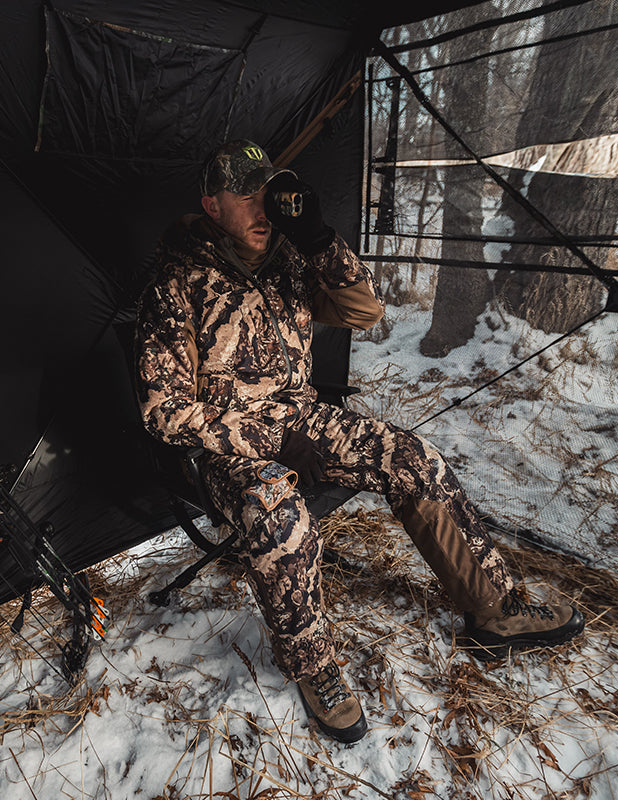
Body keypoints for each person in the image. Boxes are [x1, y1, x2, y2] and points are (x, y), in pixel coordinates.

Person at [136, 139, 584, 744]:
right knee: (278, 515)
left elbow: (364, 311)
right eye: (245, 194)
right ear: (212, 206)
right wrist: (271, 438)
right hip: (226, 448)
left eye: (266, 190)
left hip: (304, 421)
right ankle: (315, 667)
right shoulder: (177, 281)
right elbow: (165, 412)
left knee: (414, 459)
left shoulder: (291, 262)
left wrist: (319, 239)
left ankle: (495, 608)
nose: (261, 206)